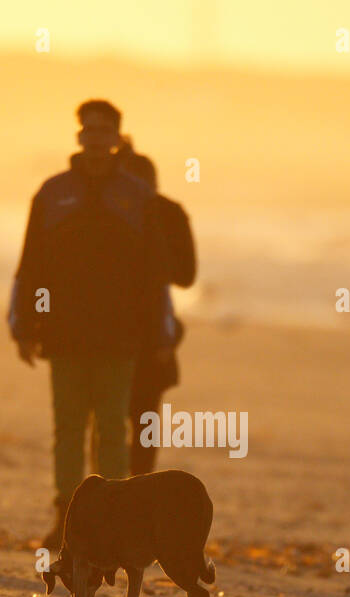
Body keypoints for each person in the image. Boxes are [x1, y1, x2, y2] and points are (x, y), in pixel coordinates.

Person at [8, 100, 172, 549]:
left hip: (120, 338)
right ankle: (65, 518)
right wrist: (24, 325)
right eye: (88, 130)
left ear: (117, 138)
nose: (96, 138)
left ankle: (113, 522)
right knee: (67, 429)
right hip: (64, 335)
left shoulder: (138, 197)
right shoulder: (53, 192)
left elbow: (155, 275)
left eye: (105, 131)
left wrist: (161, 335)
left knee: (113, 430)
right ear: (78, 136)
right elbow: (30, 264)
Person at [113, 138, 196, 475]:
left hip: (134, 332)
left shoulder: (160, 212)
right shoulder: (169, 211)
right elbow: (186, 275)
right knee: (140, 424)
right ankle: (134, 496)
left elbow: (185, 275)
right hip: (147, 335)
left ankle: (113, 497)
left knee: (111, 424)